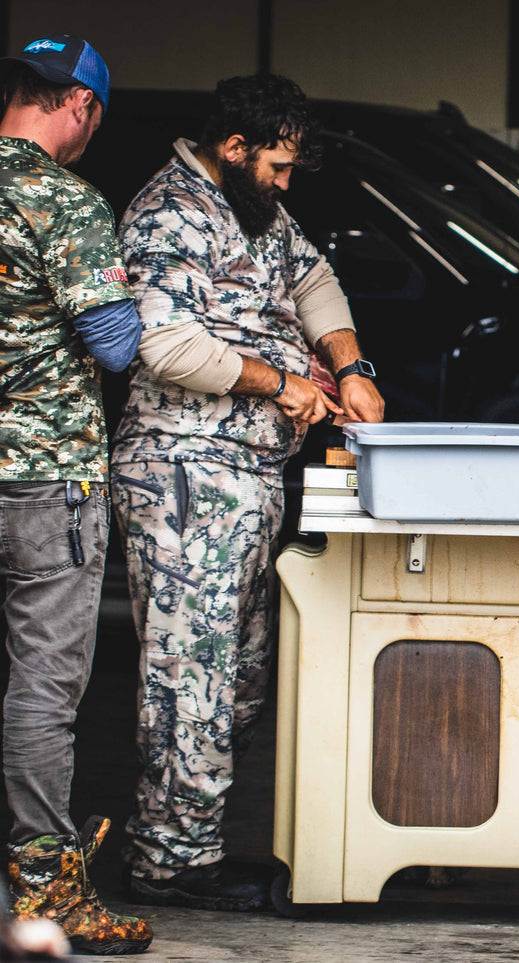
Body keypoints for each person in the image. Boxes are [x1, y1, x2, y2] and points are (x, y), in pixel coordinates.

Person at [111, 74, 384, 911]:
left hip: (248, 478)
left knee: (238, 680)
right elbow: (163, 344)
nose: (285, 181)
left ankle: (186, 838)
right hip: (183, 470)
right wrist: (277, 384)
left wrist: (349, 366)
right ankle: (171, 865)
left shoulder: (255, 210)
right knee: (189, 677)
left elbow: (314, 282)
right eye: (276, 165)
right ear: (233, 149)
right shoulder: (168, 214)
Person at [0, 35, 153, 955]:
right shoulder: (62, 198)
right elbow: (115, 344)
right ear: (82, 108)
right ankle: (46, 892)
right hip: (43, 478)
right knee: (41, 693)